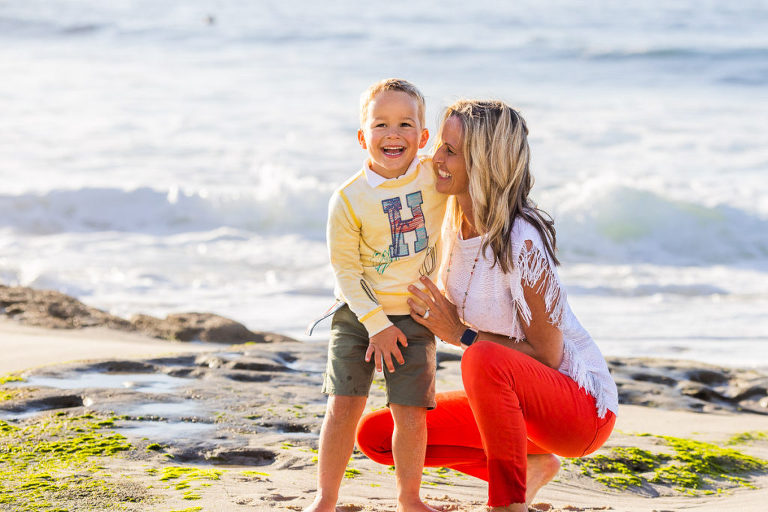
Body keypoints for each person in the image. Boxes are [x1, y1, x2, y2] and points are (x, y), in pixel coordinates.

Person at [355, 99, 619, 511]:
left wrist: (459, 333)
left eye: (449, 151)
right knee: (378, 435)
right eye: (440, 145)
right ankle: (532, 468)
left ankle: (506, 504)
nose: (434, 158)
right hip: (516, 408)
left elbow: (549, 355)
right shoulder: (446, 217)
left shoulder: (521, 239)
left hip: (579, 409)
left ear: (483, 163)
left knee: (480, 359)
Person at [304, 79, 447, 512]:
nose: (393, 134)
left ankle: (409, 499)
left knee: (410, 413)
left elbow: (481, 177)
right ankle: (325, 499)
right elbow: (345, 271)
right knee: (344, 406)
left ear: (423, 137)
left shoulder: (436, 181)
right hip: (357, 316)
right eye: (380, 124)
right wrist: (376, 325)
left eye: (406, 124)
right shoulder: (348, 199)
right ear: (363, 136)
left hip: (416, 315)